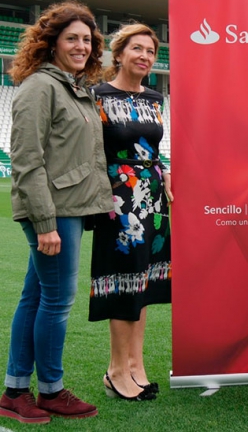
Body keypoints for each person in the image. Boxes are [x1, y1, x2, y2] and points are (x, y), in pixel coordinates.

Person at [0, 1, 112, 424]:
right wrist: (46, 224)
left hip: (70, 209)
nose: (81, 46)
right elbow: (27, 160)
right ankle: (49, 390)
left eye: (87, 39)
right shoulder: (39, 87)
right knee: (57, 301)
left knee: (35, 297)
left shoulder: (74, 86)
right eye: (72, 38)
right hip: (53, 212)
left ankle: (14, 390)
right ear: (52, 43)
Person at [89, 24, 173, 401]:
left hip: (153, 199)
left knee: (144, 284)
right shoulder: (98, 96)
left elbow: (153, 147)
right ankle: (115, 370)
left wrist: (165, 170)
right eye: (136, 49)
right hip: (118, 200)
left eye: (150, 51)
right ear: (118, 54)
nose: (144, 56)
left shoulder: (155, 98)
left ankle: (136, 366)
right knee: (124, 282)